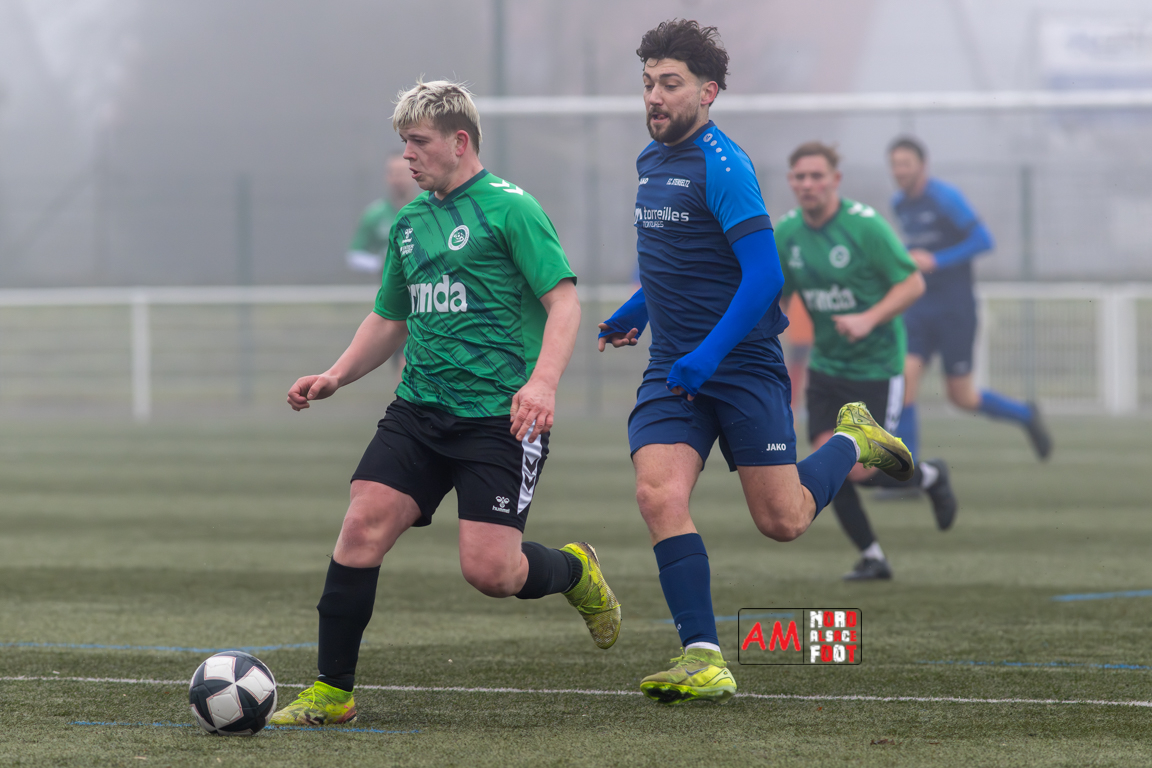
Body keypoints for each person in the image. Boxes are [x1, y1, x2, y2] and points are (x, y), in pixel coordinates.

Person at [271, 80, 621, 726]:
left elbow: (565, 303)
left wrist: (542, 383)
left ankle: (575, 571)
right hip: (419, 410)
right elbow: (390, 318)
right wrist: (336, 375)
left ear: (460, 142)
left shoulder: (512, 209)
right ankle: (333, 691)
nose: (407, 156)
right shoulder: (408, 223)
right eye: (404, 143)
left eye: (418, 142)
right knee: (361, 524)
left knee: (491, 572)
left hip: (500, 418)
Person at [598, 19, 912, 705]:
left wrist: (709, 354)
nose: (655, 96)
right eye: (648, 83)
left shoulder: (725, 165)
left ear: (707, 92)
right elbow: (680, 262)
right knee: (657, 494)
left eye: (670, 83)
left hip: (739, 367)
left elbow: (765, 277)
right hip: (675, 369)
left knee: (783, 521)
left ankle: (855, 438)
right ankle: (704, 655)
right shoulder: (651, 160)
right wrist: (637, 310)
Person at [776, 142, 957, 582]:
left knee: (858, 471)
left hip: (877, 369)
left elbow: (912, 284)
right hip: (827, 368)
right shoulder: (786, 234)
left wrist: (868, 318)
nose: (808, 184)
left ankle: (930, 476)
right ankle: (872, 556)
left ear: (835, 180)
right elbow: (775, 297)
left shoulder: (866, 226)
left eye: (817, 176)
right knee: (828, 465)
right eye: (800, 177)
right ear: (791, 182)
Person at [888, 137, 1052, 474]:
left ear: (922, 165)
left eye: (905, 164)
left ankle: (1025, 414)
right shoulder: (899, 203)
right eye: (894, 164)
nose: (899, 171)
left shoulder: (945, 198)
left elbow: (983, 240)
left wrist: (937, 260)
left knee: (962, 397)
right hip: (919, 306)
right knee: (904, 383)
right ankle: (906, 474)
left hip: (955, 308)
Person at [346, 155, 421, 275]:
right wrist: (382, 264)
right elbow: (354, 255)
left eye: (402, 173)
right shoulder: (375, 215)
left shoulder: (427, 210)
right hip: (388, 283)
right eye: (393, 173)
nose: (398, 179)